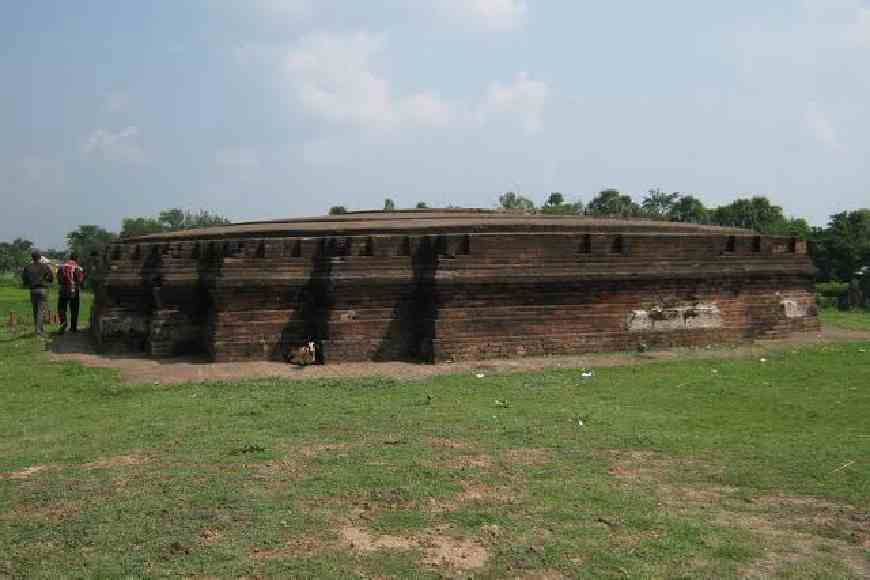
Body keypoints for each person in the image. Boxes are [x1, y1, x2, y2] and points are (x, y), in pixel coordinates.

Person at [21, 250, 54, 337]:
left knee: (35, 311)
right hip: (42, 290)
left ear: (32, 258)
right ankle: (39, 331)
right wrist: (46, 280)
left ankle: (38, 330)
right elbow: (51, 278)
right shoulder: (45, 266)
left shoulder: (27, 267)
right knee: (40, 311)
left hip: (32, 290)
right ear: (40, 257)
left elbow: (24, 279)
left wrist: (29, 283)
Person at [57, 253, 85, 333]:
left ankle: (63, 324)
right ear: (77, 259)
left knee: (61, 308)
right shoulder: (79, 268)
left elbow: (59, 279)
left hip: (64, 290)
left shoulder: (62, 267)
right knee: (74, 309)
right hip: (75, 290)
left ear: (70, 258)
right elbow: (80, 280)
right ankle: (73, 327)